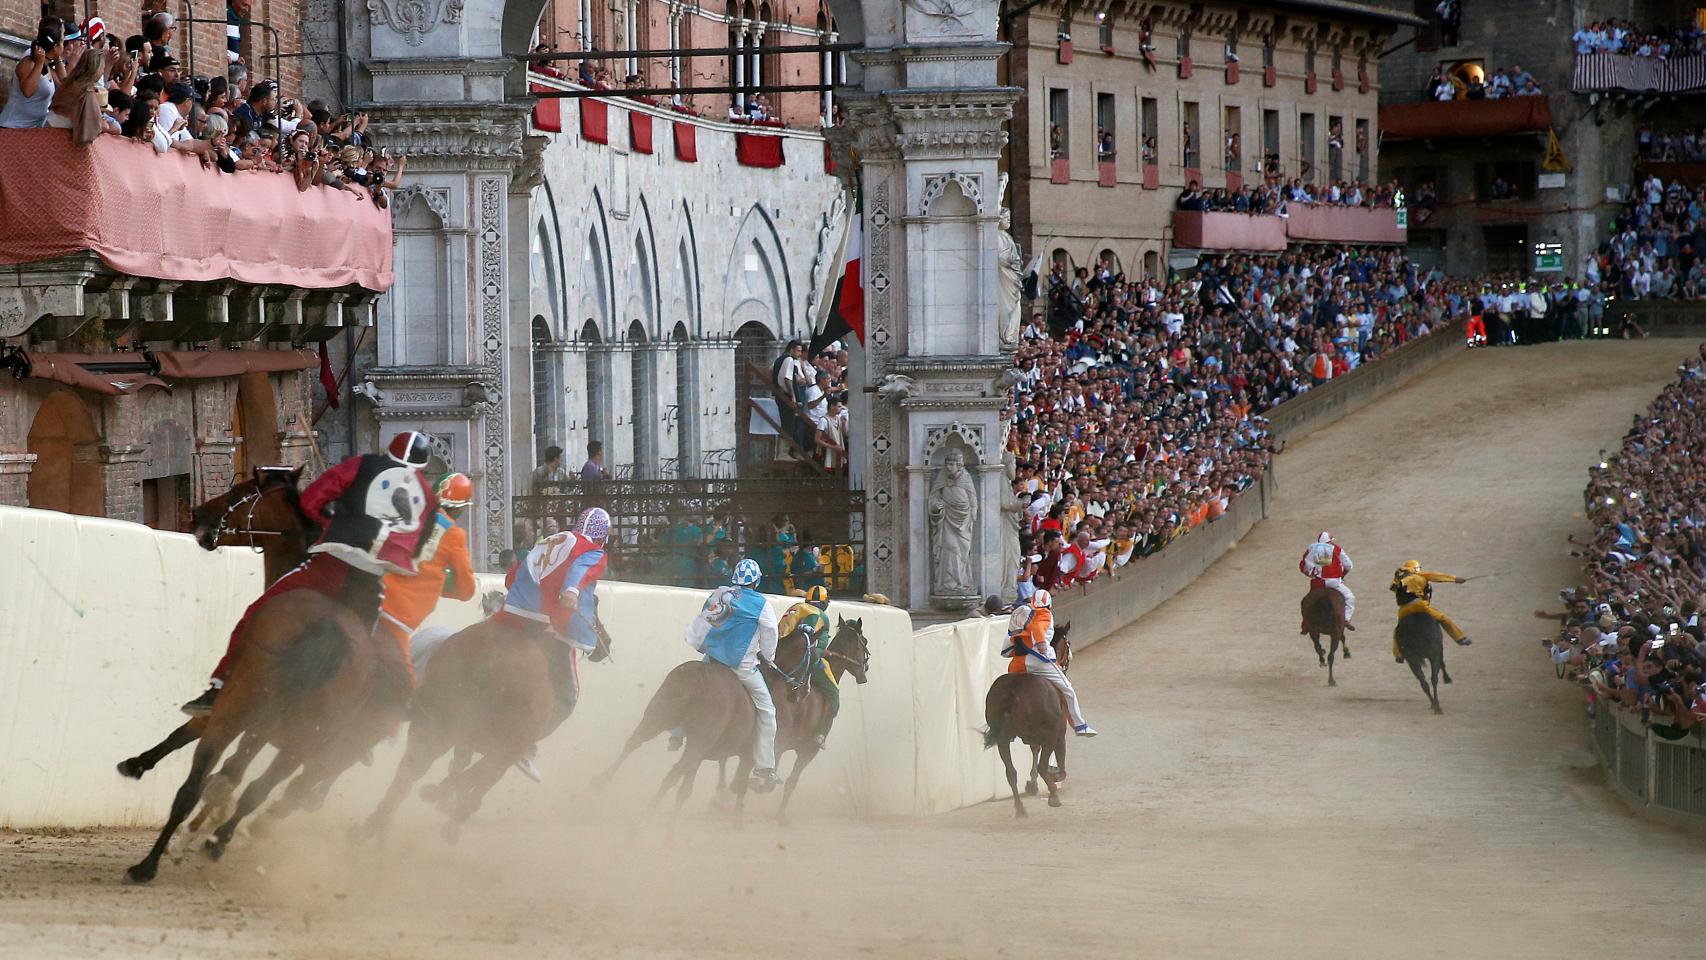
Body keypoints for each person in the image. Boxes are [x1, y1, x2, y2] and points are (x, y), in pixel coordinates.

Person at [182, 432, 440, 716]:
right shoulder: (428, 499)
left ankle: (219, 687)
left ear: (389, 451)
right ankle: (356, 721)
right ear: (423, 466)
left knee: (256, 615)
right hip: (368, 585)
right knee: (369, 654)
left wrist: (329, 522)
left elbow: (310, 502)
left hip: (330, 567)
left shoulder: (363, 465)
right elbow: (418, 547)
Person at [500, 506, 612, 781]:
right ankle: (523, 744)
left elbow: (516, 573)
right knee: (567, 697)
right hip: (546, 624)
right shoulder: (594, 551)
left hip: (513, 612)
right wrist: (572, 592)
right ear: (603, 536)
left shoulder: (554, 539)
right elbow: (579, 570)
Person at [683, 558, 783, 791]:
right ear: (756, 581)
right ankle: (765, 767)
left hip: (712, 660)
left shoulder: (719, 594)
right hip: (742, 667)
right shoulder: (762, 604)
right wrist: (768, 657)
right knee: (768, 710)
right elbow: (770, 633)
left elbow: (704, 622)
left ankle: (677, 731)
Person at [373, 472, 478, 693]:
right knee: (404, 690)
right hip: (398, 613)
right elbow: (466, 590)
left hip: (369, 594)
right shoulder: (454, 534)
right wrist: (442, 580)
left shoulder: (408, 514)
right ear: (461, 508)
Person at [1002, 590, 1097, 736]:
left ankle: (1007, 727)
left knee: (1009, 691)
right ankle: (1080, 726)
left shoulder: (1025, 613)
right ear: (1049, 604)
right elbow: (1038, 628)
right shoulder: (1045, 614)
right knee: (1068, 690)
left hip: (1018, 662)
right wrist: (1041, 642)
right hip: (1039, 660)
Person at [777, 584, 838, 748]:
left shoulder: (796, 607)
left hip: (777, 655)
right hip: (811, 661)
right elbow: (810, 632)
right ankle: (821, 734)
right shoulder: (820, 615)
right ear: (824, 603)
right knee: (834, 694)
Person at [1389, 559, 1472, 661]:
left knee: (1397, 630)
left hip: (1403, 609)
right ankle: (1460, 638)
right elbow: (1436, 576)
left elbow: (1393, 588)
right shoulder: (1420, 575)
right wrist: (1455, 579)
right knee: (1442, 618)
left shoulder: (1398, 578)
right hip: (1419, 605)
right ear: (1415, 568)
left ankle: (1398, 655)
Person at [1299, 531, 1356, 630]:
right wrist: (1342, 576)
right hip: (1334, 583)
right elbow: (1348, 565)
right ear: (1330, 541)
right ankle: (1345, 620)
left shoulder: (1312, 548)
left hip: (1318, 583)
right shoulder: (1336, 549)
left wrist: (1311, 574)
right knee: (1350, 598)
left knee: (1307, 603)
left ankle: (1306, 625)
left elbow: (1304, 565)